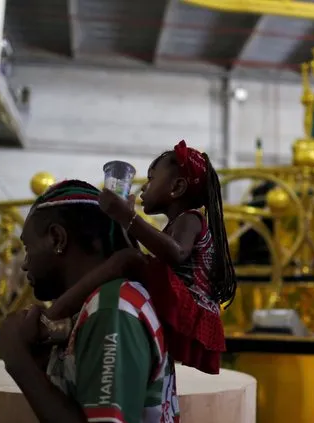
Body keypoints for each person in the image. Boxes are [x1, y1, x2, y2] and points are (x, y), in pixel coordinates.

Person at [44, 140, 237, 375]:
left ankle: (53, 316)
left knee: (129, 260)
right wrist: (123, 223)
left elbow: (176, 254)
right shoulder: (177, 224)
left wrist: (129, 218)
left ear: (176, 188)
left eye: (151, 179)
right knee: (127, 260)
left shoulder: (191, 219)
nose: (144, 188)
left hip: (188, 305)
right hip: (175, 298)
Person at [0, 180, 180, 423]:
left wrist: (19, 363)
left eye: (27, 247)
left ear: (56, 238)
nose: (24, 263)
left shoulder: (112, 308)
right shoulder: (95, 303)